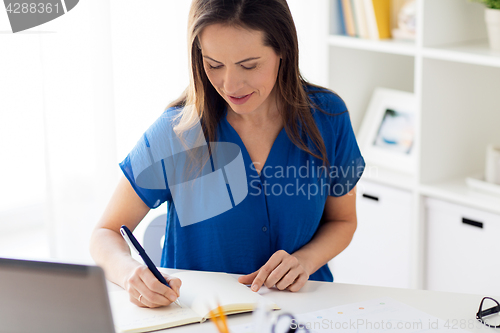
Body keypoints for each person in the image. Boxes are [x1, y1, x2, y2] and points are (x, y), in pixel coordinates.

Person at [90, 0, 365, 309]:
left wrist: (305, 260)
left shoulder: (328, 117)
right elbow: (105, 233)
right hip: (203, 319)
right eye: (214, 65)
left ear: (283, 50)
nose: (230, 85)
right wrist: (131, 274)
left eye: (249, 65)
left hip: (303, 313)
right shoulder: (176, 132)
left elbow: (343, 220)